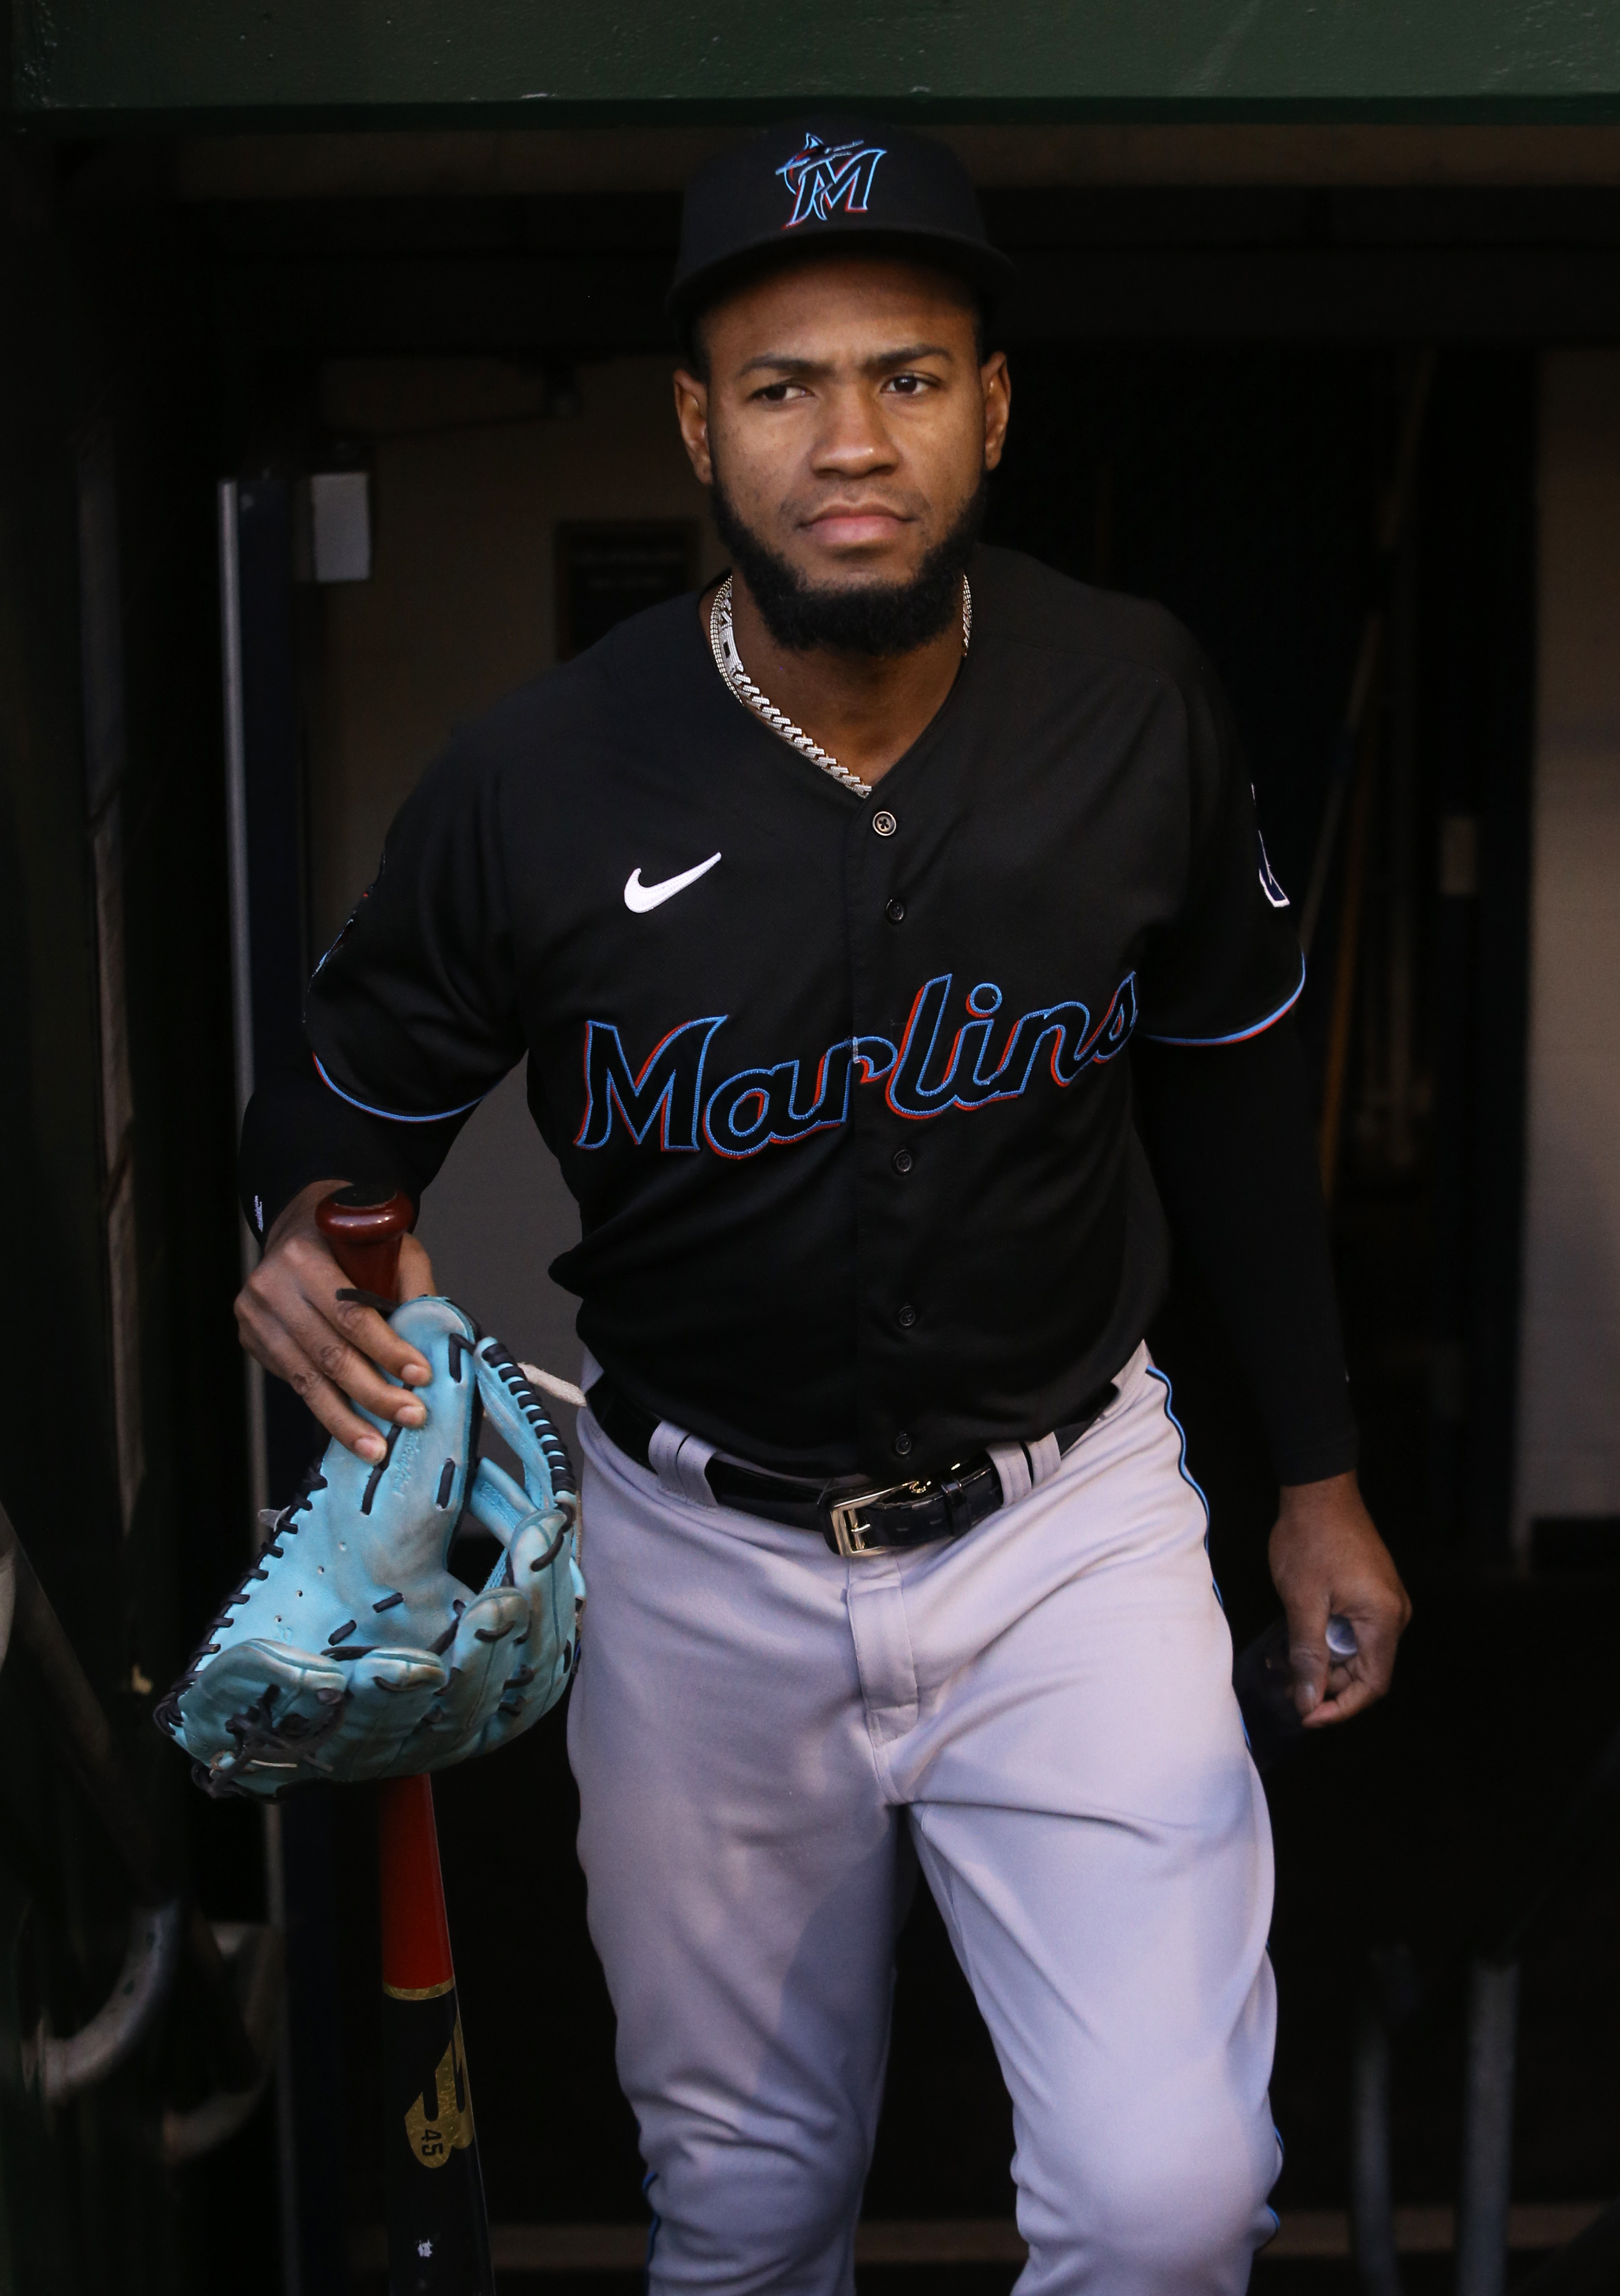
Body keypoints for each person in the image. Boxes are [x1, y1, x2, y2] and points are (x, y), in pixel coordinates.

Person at [236, 122, 1410, 2296]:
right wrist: (298, 1221)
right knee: (750, 2211)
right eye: (783, 388)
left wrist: (1318, 1476)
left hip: (1072, 1524)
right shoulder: (537, 778)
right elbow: (340, 1097)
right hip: (702, 1562)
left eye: (906, 374)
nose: (847, 439)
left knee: (1169, 2203)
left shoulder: (1134, 696)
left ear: (992, 408)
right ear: (699, 424)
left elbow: (1238, 1094)